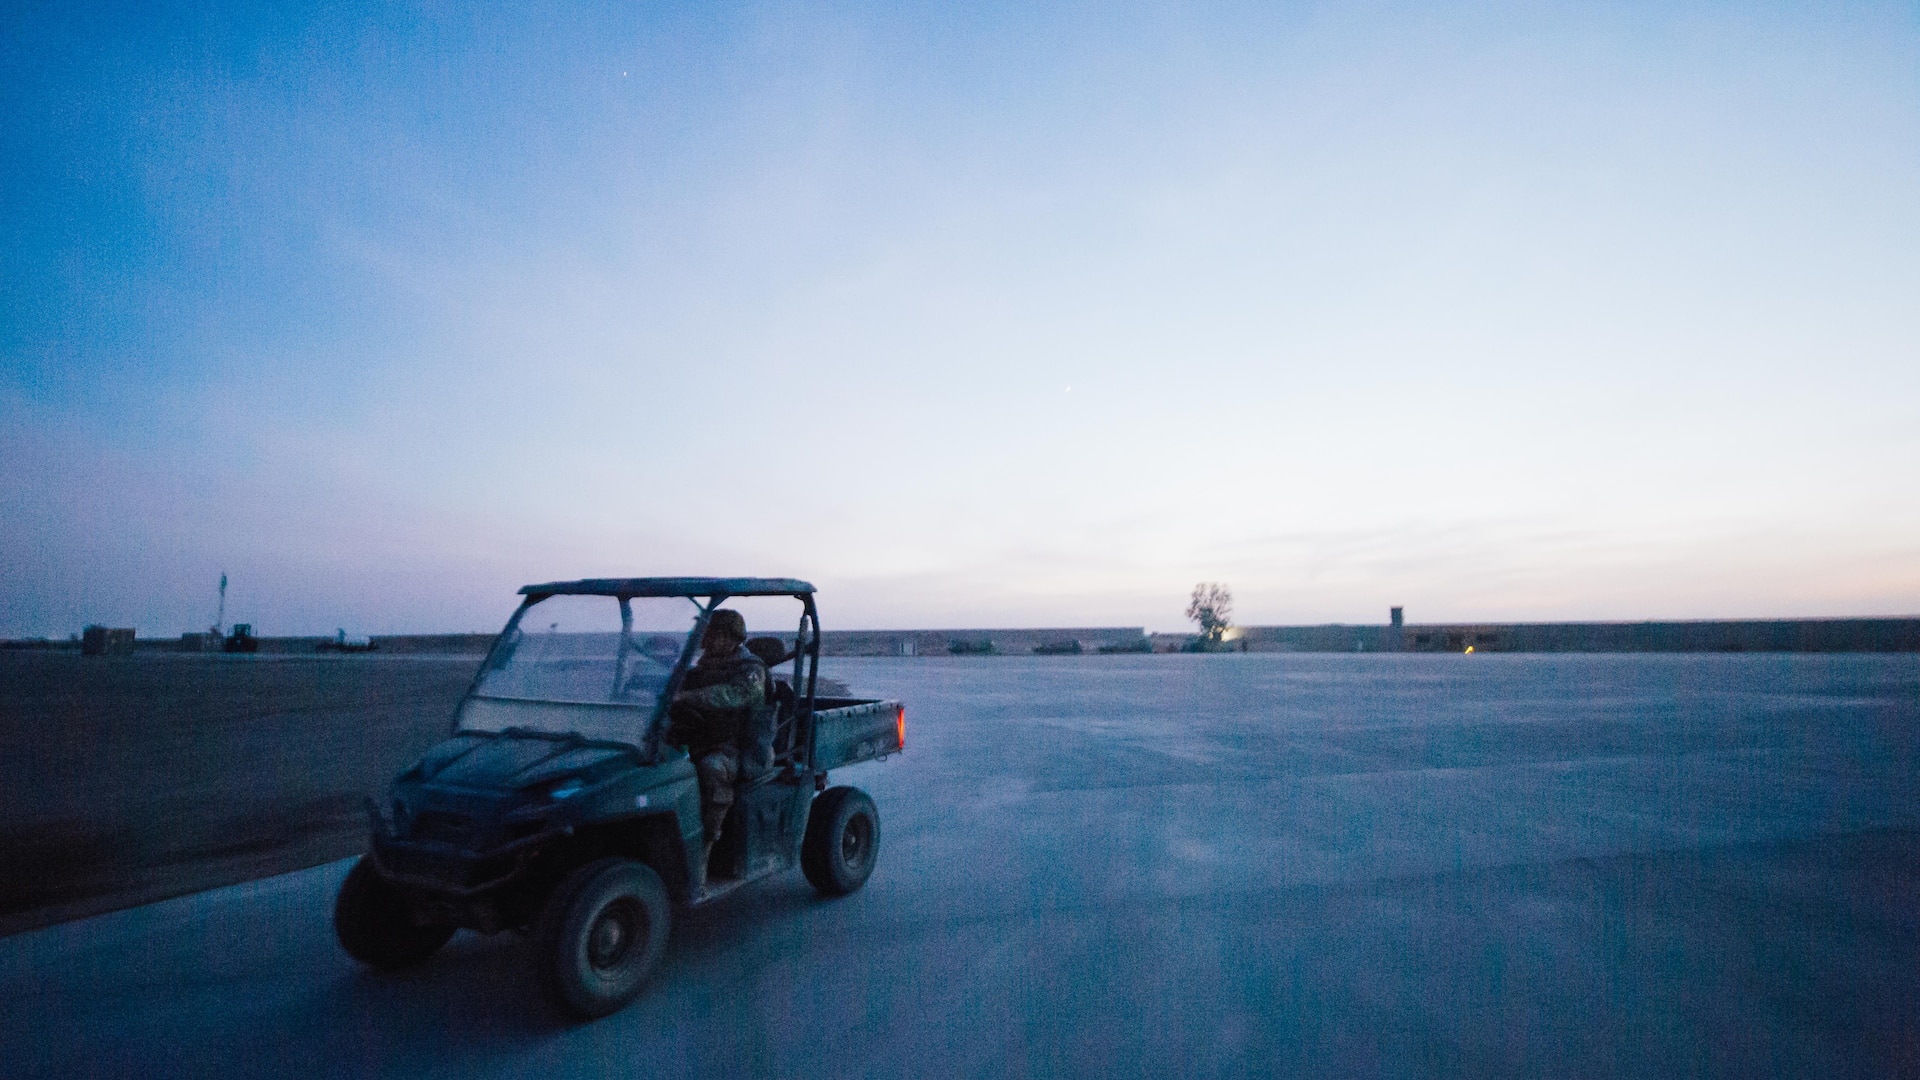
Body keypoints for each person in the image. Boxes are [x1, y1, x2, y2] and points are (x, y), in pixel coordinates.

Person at [665, 609, 767, 886]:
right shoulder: (702, 666)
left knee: (711, 770)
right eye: (707, 634)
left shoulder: (750, 668)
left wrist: (688, 697)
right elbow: (673, 689)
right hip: (698, 738)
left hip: (736, 747)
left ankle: (706, 842)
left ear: (732, 638)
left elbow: (735, 695)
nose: (707, 640)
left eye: (714, 635)